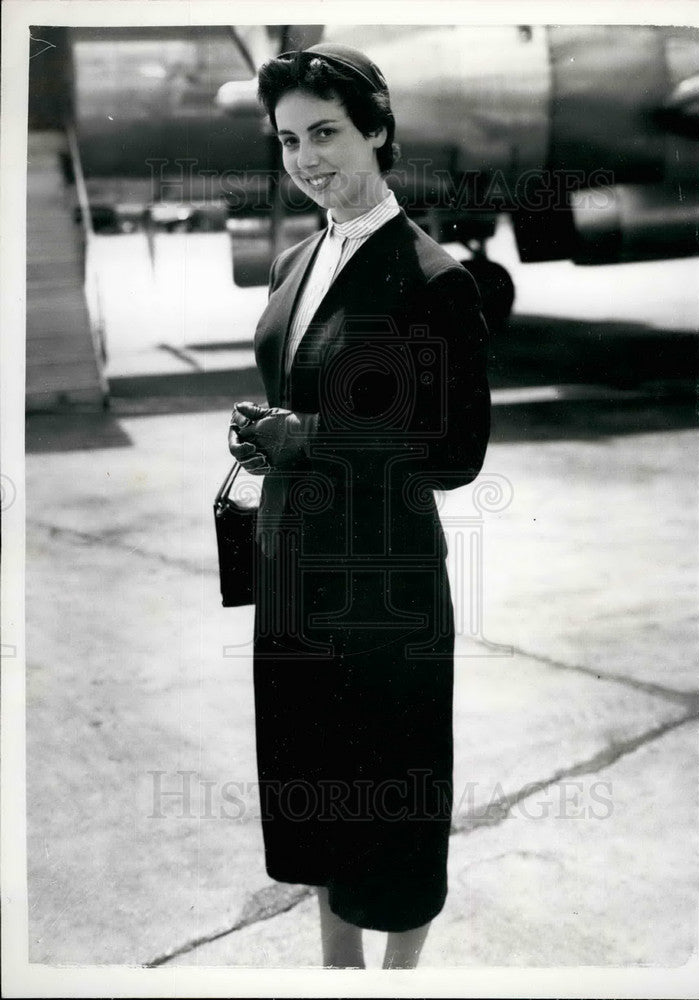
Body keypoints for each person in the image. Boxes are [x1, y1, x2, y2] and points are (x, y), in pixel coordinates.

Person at [228, 42, 491, 969]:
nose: (307, 158)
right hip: (295, 574)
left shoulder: (433, 277)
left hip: (385, 589)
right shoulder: (294, 262)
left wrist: (311, 439)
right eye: (289, 139)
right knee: (314, 788)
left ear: (377, 131)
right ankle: (337, 970)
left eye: (327, 133)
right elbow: (308, 392)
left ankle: (398, 980)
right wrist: (267, 431)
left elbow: (456, 455)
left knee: (394, 797)